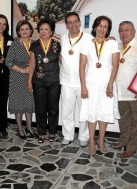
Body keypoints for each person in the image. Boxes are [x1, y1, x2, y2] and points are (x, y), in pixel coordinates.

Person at [79, 15, 120, 155]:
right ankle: (91, 140)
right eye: (100, 25)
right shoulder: (86, 44)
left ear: (108, 29)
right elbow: (82, 66)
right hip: (90, 84)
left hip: (106, 85)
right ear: (95, 26)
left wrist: (110, 85)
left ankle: (101, 140)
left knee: (104, 113)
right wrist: (83, 87)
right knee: (92, 113)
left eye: (105, 27)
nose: (102, 29)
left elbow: (115, 66)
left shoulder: (112, 44)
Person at [60, 12, 93, 147]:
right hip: (66, 81)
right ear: (66, 25)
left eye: (75, 21)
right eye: (70, 22)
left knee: (83, 110)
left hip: (82, 82)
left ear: (79, 23)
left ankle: (83, 136)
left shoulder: (88, 38)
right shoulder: (63, 38)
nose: (73, 24)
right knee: (67, 110)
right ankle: (67, 135)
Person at [113, 21, 137, 158]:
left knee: (136, 120)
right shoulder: (117, 47)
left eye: (127, 30)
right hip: (120, 91)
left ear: (134, 31)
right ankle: (123, 140)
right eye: (121, 30)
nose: (123, 33)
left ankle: (132, 146)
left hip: (135, 93)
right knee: (123, 119)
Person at [28, 18, 61, 144]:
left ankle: (52, 131)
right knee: (40, 108)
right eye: (41, 29)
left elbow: (63, 60)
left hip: (54, 81)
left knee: (53, 108)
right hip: (39, 82)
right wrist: (29, 81)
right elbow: (32, 64)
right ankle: (41, 132)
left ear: (51, 31)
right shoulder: (35, 45)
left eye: (46, 29)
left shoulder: (57, 45)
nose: (43, 31)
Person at [5, 20, 37, 140]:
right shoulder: (15, 44)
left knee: (29, 102)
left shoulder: (35, 44)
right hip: (17, 77)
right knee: (19, 103)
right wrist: (22, 70)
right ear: (18, 32)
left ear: (30, 31)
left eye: (27, 29)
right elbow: (8, 62)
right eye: (22, 29)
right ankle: (19, 128)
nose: (24, 31)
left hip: (31, 77)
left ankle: (29, 127)